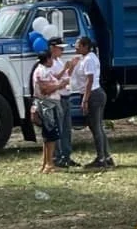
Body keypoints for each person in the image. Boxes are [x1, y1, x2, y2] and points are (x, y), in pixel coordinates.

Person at [71, 36, 112, 169]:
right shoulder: (85, 58)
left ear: (85, 46)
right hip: (93, 94)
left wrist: (85, 99)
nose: (75, 47)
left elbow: (90, 80)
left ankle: (101, 158)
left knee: (96, 127)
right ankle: (107, 157)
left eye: (78, 45)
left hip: (93, 94)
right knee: (97, 126)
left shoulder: (89, 59)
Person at [31, 50, 67, 174]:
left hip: (49, 104)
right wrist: (60, 85)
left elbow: (53, 81)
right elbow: (45, 90)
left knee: (48, 136)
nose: (52, 61)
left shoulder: (45, 70)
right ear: (47, 60)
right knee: (51, 135)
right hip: (48, 105)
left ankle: (46, 163)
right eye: (51, 59)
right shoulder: (41, 72)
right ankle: (49, 164)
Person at [48, 39, 78, 168]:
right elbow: (53, 79)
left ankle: (66, 156)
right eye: (60, 48)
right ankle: (57, 157)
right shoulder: (50, 63)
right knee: (58, 128)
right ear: (52, 48)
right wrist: (65, 69)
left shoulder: (59, 61)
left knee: (66, 129)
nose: (62, 50)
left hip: (66, 96)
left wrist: (71, 67)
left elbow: (66, 76)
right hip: (57, 97)